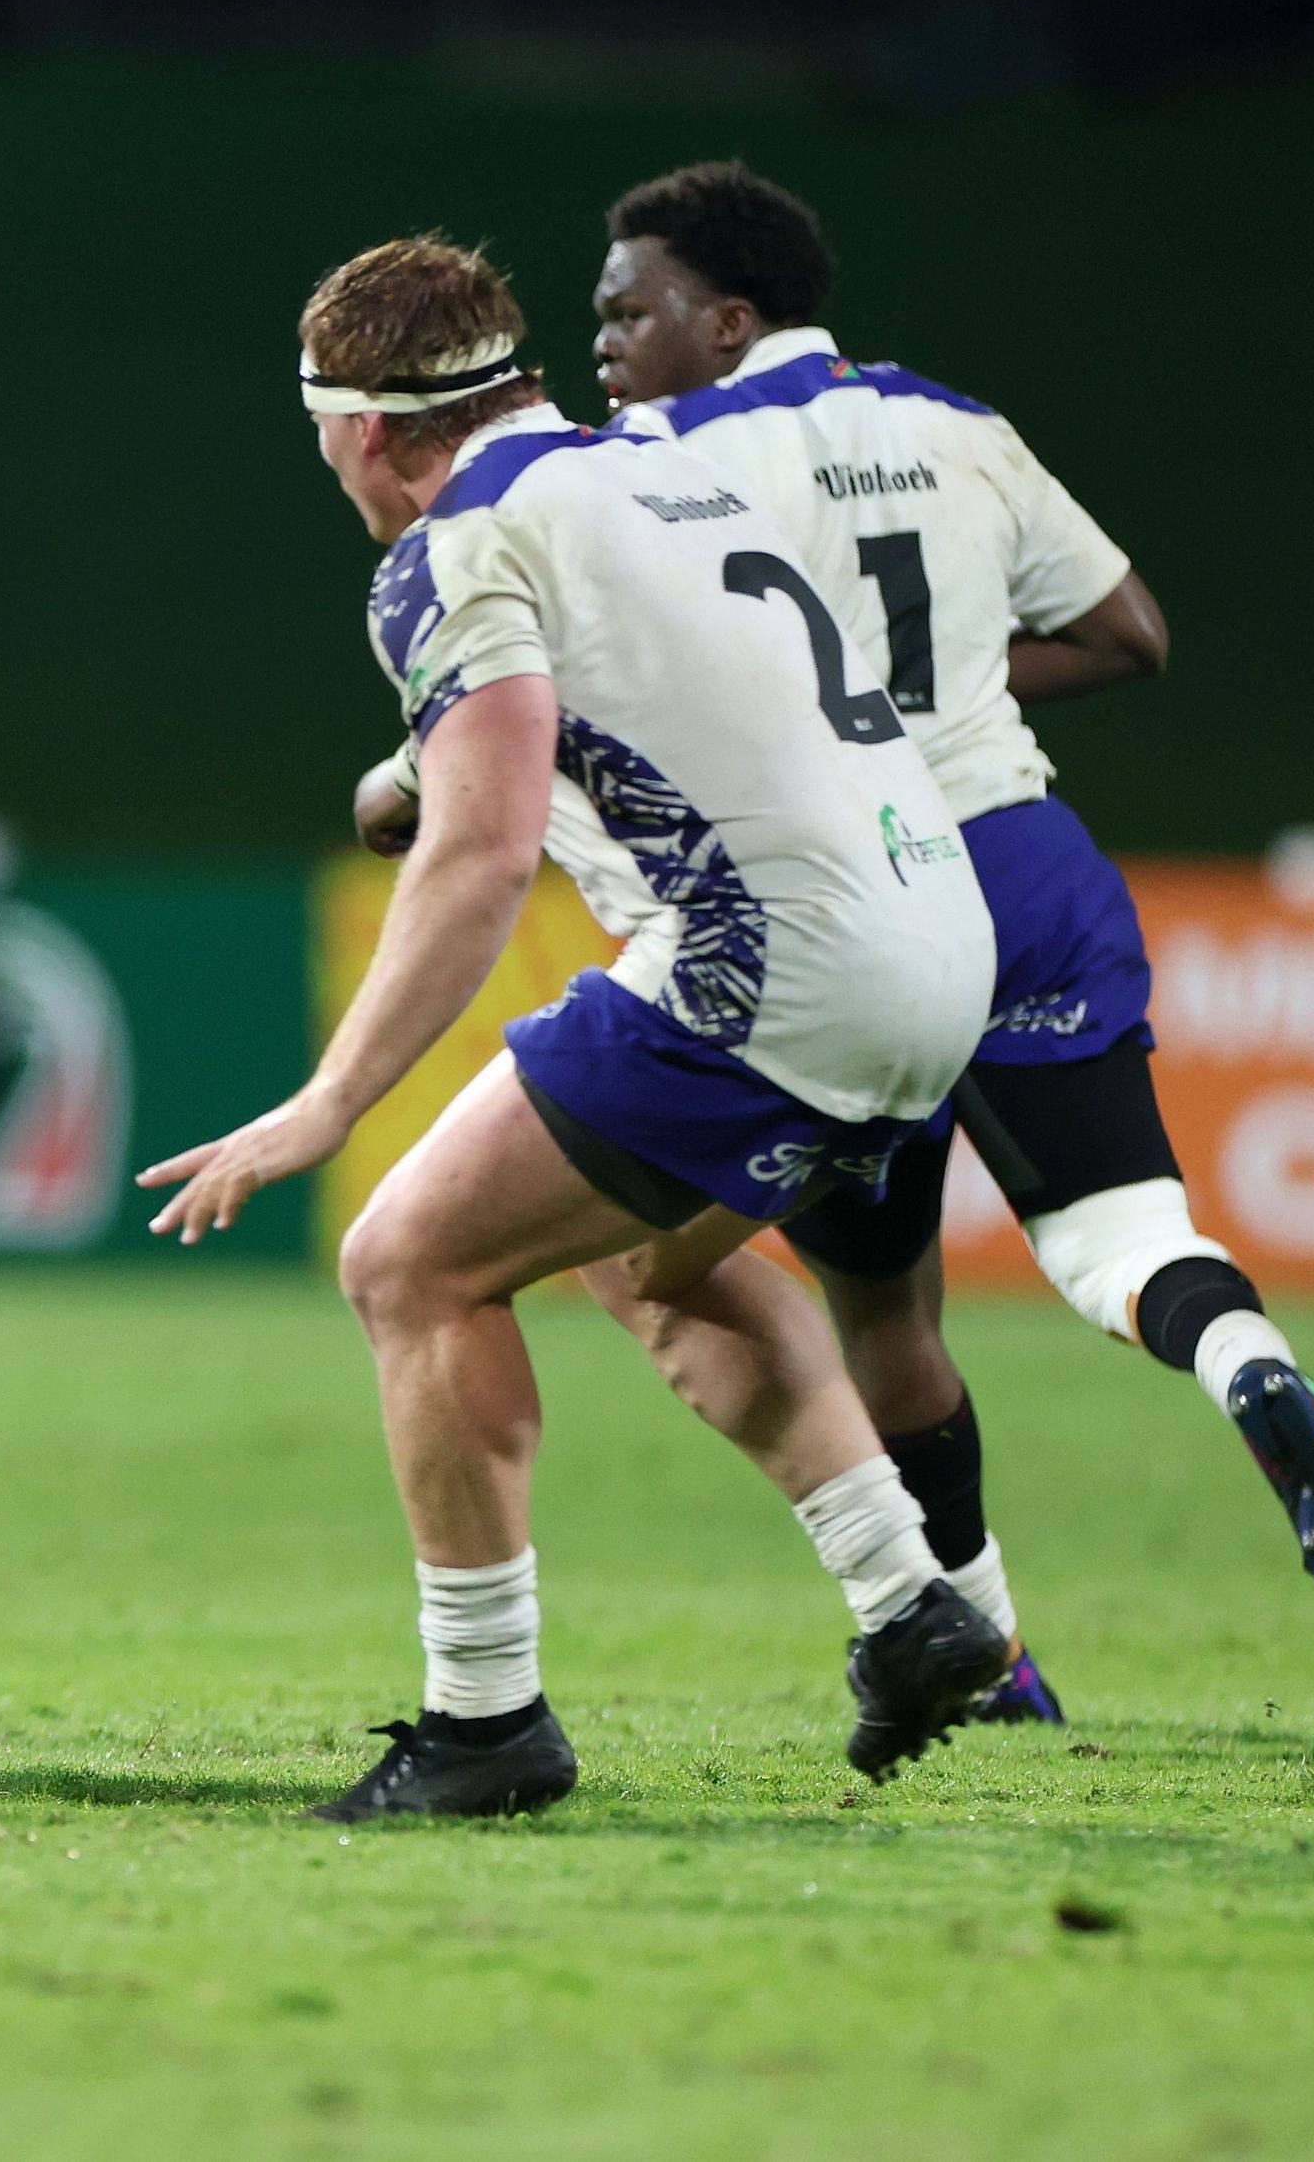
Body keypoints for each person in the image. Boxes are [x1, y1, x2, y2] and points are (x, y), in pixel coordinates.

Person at [145, 235, 1014, 1823]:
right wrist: (421, 768)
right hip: (940, 932)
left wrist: (328, 1104)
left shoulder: (449, 548)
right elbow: (677, 674)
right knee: (642, 1259)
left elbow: (481, 859)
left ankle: (485, 1723)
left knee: (407, 1262)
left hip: (774, 958)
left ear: (360, 426)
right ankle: (914, 1604)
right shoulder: (664, 467)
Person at [582, 161, 1314, 1669]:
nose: (608, 344)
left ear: (729, 316)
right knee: (1121, 1239)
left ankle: (992, 1652)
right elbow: (1131, 634)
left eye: (632, 310)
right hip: (1023, 863)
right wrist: (943, 681)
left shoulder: (656, 459)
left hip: (842, 908)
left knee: (877, 1313)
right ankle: (1249, 1365)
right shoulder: (959, 427)